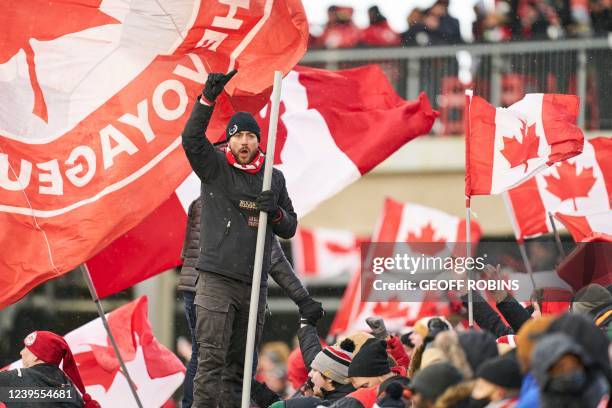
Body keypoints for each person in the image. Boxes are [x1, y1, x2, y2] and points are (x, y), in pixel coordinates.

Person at [181, 70, 299, 407]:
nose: (244, 142)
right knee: (210, 363)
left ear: (259, 140)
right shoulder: (215, 166)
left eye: (251, 136)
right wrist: (206, 99)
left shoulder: (272, 178)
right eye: (238, 136)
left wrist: (275, 213)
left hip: (254, 285)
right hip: (216, 281)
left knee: (239, 370)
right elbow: (191, 140)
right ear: (229, 140)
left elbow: (289, 226)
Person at [178, 196, 323, 407]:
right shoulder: (244, 200)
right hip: (221, 290)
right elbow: (272, 257)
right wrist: (302, 298)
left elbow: (186, 253)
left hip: (194, 286)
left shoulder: (201, 200)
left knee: (202, 356)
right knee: (240, 361)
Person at [0, 331, 99, 408]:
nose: (21, 352)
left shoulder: (15, 379)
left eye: (26, 348)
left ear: (36, 355)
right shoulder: (70, 390)